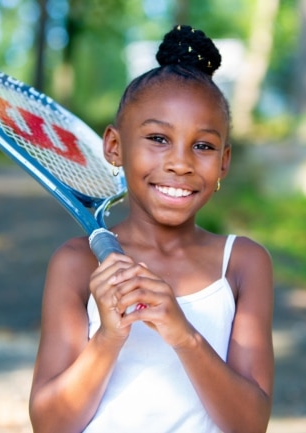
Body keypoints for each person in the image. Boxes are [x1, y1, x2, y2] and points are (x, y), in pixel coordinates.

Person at [28, 25, 274, 433]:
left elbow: (250, 425)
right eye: (158, 138)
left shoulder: (243, 263)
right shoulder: (77, 263)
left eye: (204, 146)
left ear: (224, 163)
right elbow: (50, 425)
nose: (181, 163)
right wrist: (109, 335)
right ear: (114, 147)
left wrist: (183, 335)